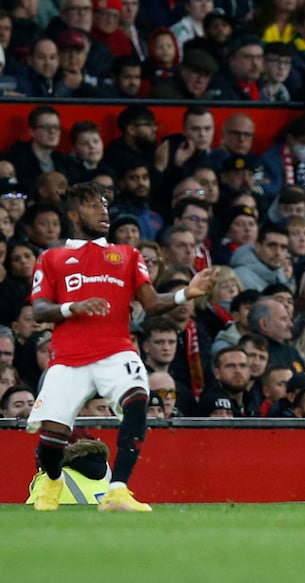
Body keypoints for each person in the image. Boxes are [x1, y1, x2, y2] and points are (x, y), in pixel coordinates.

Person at [26, 182, 217, 512]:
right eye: (92, 204)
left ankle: (118, 491)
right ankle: (52, 481)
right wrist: (73, 307)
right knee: (52, 438)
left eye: (104, 203)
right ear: (72, 213)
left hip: (115, 349)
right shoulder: (52, 257)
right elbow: (40, 310)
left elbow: (153, 302)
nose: (103, 210)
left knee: (137, 399)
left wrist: (188, 292)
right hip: (69, 356)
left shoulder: (126, 255)